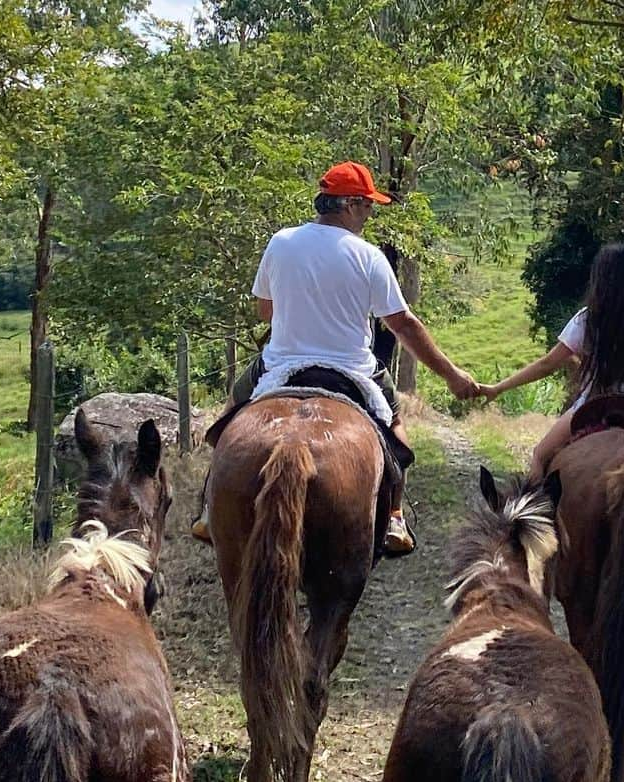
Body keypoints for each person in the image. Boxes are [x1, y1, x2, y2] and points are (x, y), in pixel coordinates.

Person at [193, 160, 478, 553]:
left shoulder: (281, 242)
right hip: (352, 370)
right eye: (367, 206)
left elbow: (265, 310)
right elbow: (403, 324)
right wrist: (452, 375)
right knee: (394, 425)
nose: (370, 214)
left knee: (228, 418)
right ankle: (394, 516)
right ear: (349, 205)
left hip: (281, 365)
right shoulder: (369, 256)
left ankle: (212, 505)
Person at [479, 243, 624, 481]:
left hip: (593, 406)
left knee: (539, 457)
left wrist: (498, 388)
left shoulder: (587, 320)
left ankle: (534, 516)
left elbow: (546, 364)